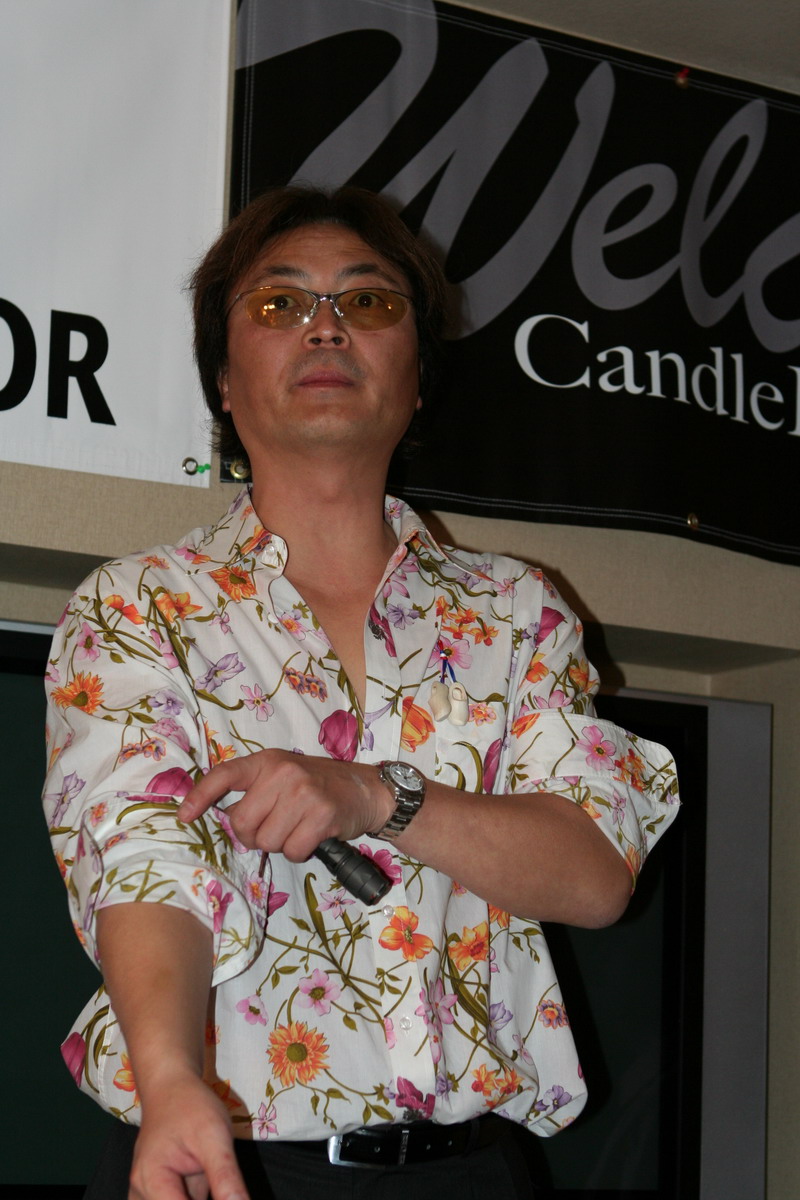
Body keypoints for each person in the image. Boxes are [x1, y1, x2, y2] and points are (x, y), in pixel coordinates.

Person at [43, 185, 680, 1200]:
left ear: (416, 378)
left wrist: (377, 795)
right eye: (279, 303)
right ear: (223, 380)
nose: (326, 326)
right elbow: (143, 866)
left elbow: (596, 874)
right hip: (217, 1158)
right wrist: (169, 1081)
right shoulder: (137, 605)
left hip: (470, 1174)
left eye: (368, 303)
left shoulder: (517, 609)